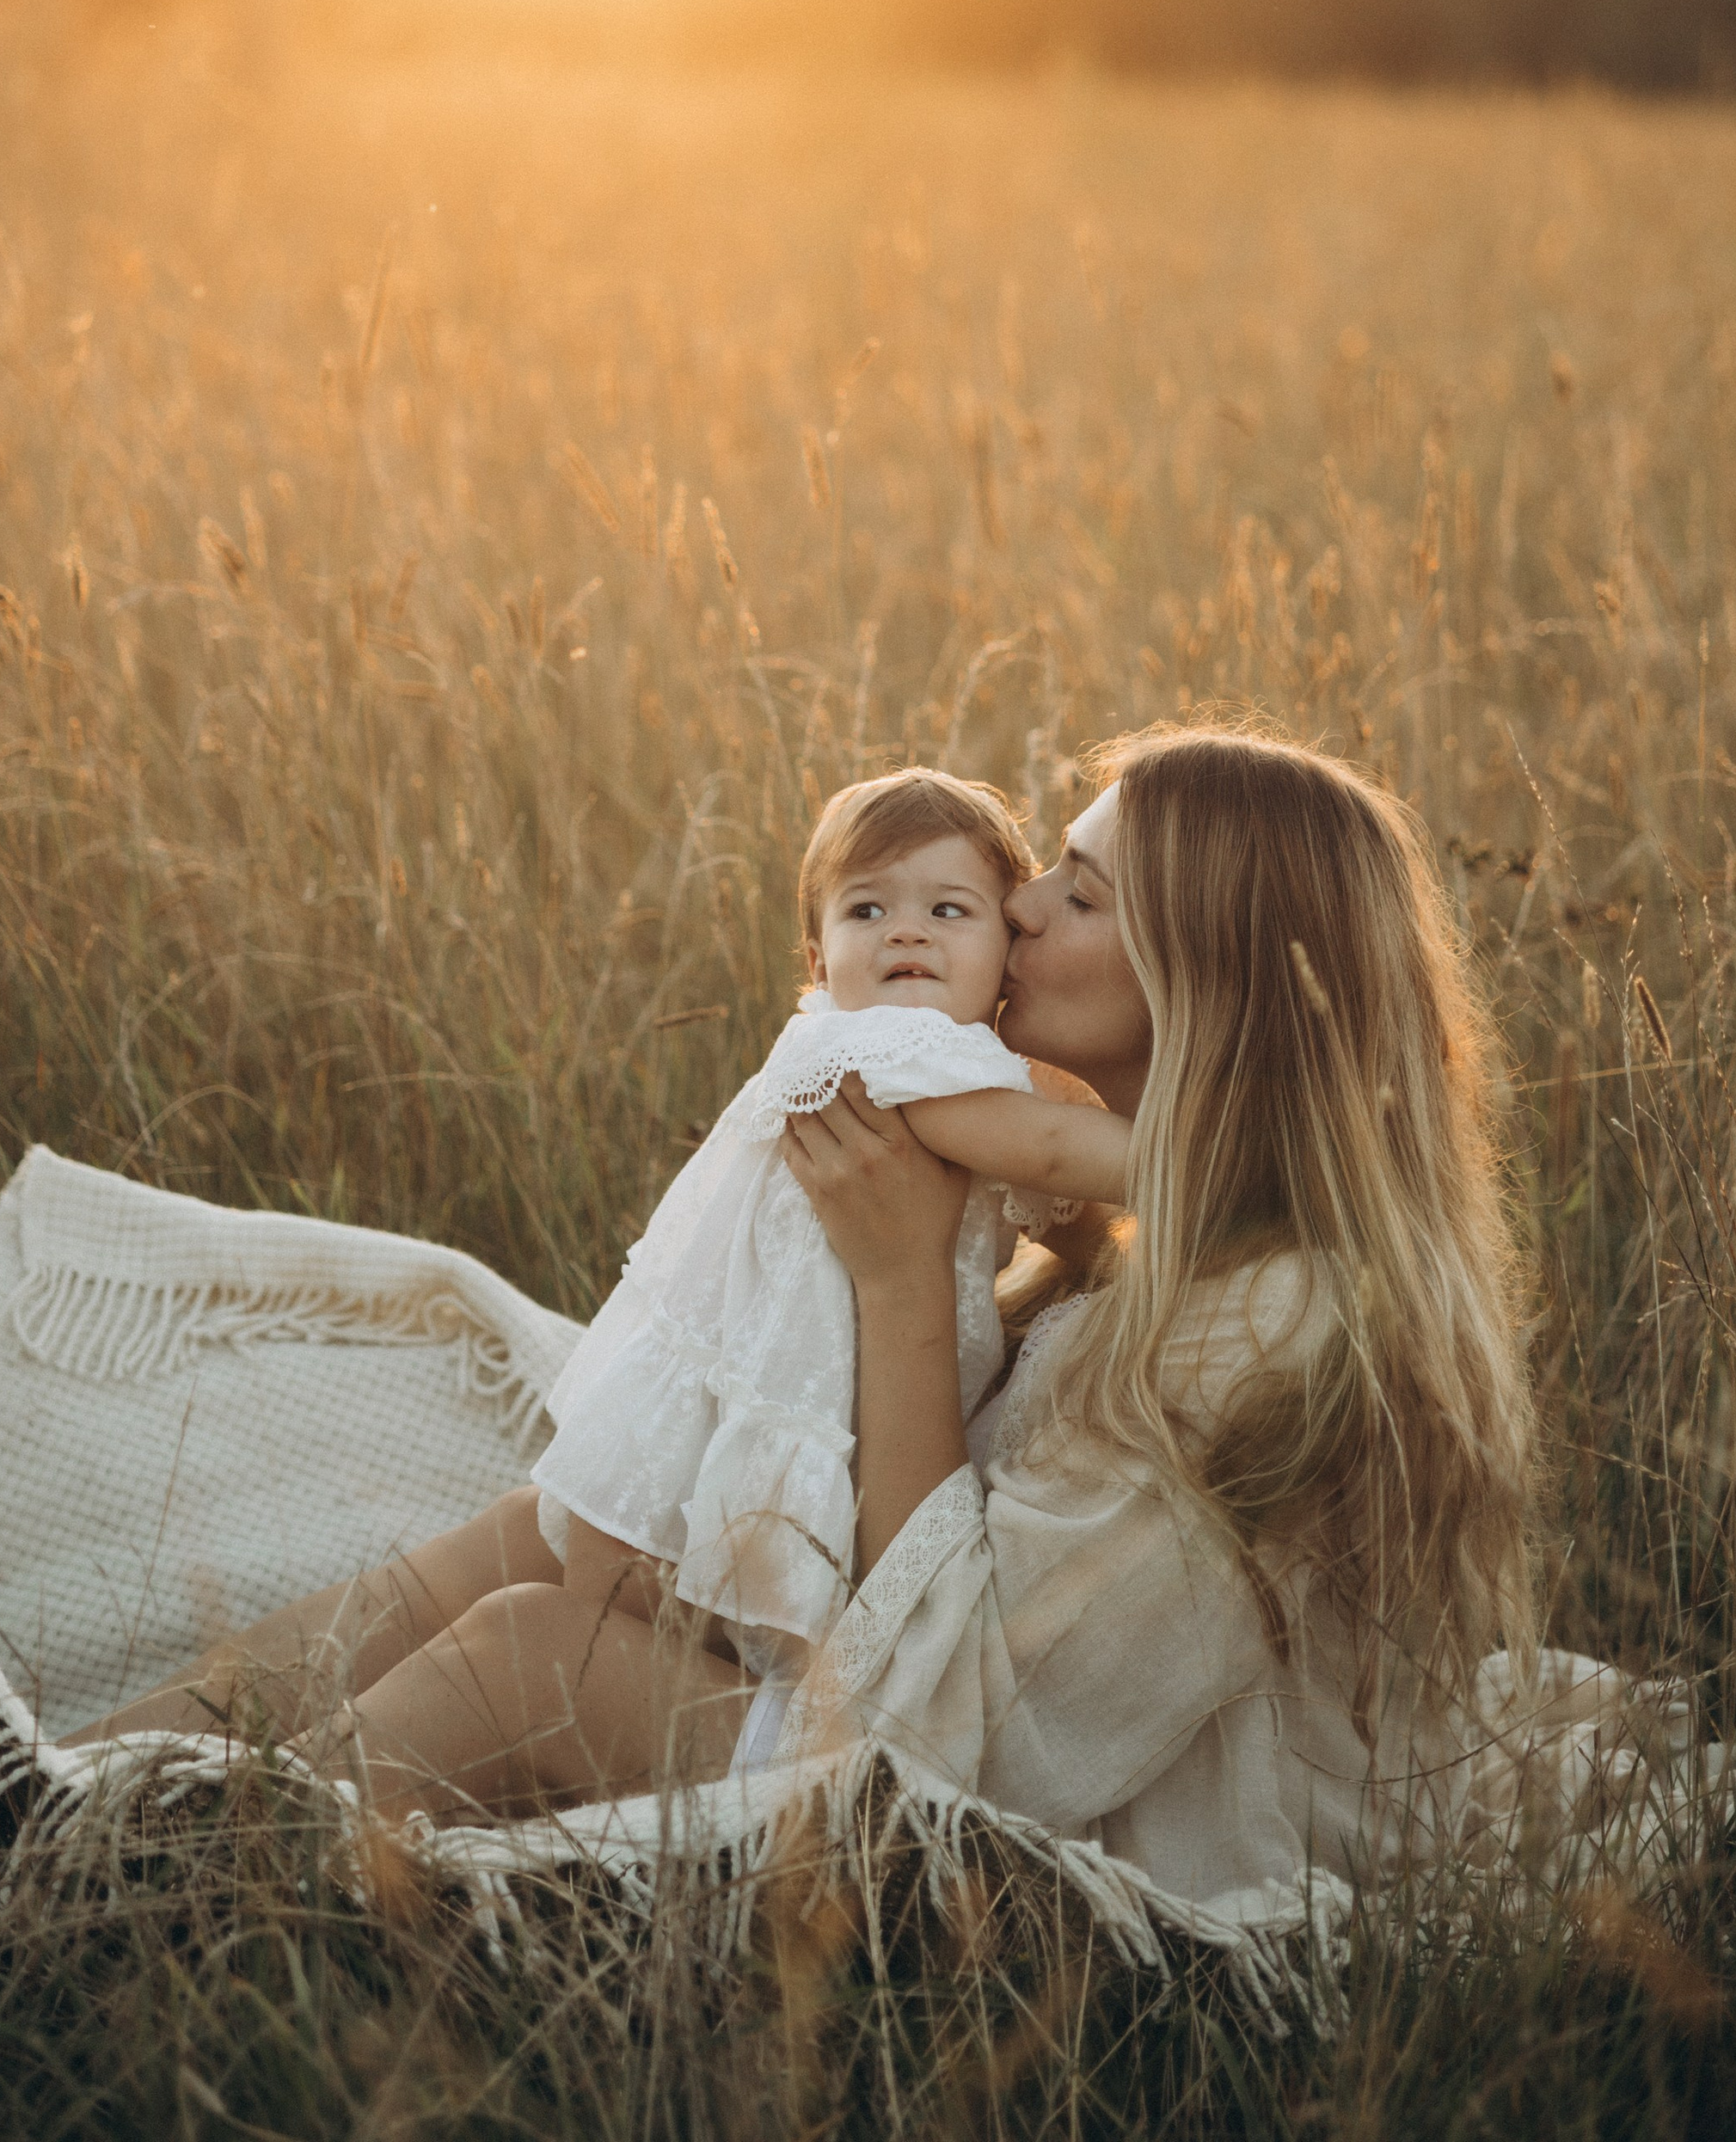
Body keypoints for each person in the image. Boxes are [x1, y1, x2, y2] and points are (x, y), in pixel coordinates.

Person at [92, 727, 1540, 1921]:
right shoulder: (1139, 1215)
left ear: (1209, 978)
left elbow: (979, 1735)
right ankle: (89, 1785)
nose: (1021, 903)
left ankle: (166, 1916)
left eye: (1084, 896)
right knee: (538, 1535)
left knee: (531, 1653)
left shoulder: (1281, 1322)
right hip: (932, 1698)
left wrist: (906, 1279)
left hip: (1070, 1846)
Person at [88, 766, 1130, 1789]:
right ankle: (159, 1796)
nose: (907, 933)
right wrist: (1216, 1151)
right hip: (769, 1456)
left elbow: (1042, 1205)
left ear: (994, 950)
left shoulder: (914, 1056)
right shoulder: (890, 1054)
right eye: (869, 910)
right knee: (536, 1573)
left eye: (950, 909)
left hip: (776, 1490)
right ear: (817, 955)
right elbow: (1044, 1152)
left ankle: (131, 1771)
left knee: (521, 1573)